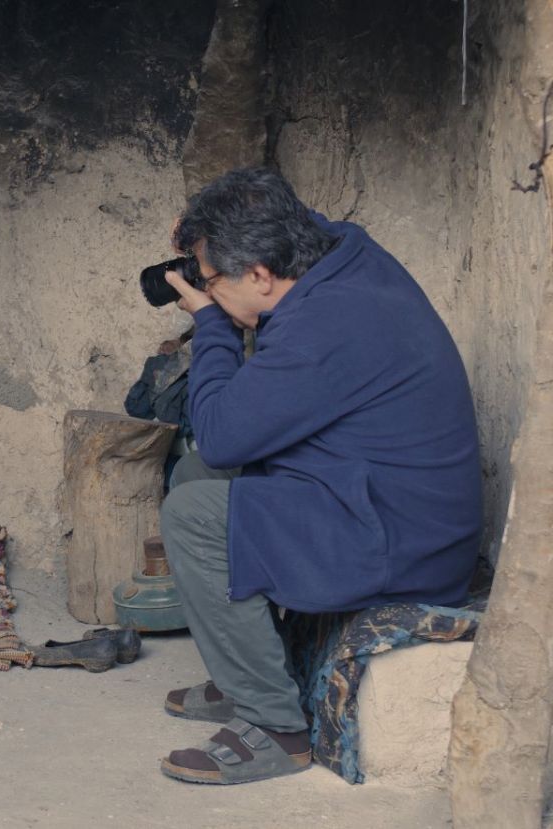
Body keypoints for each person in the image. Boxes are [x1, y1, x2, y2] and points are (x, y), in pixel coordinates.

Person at [155, 168, 482, 785]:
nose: (205, 286)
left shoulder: (323, 326)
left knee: (193, 513)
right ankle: (249, 670)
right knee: (195, 475)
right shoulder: (343, 253)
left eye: (212, 277)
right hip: (379, 493)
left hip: (400, 541)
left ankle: (274, 728)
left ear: (259, 274)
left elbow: (223, 435)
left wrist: (213, 325)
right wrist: (203, 230)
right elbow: (298, 218)